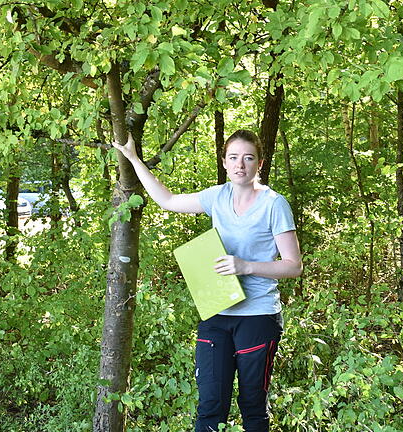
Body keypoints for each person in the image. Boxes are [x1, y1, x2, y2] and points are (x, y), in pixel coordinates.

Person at [113, 129, 302, 432]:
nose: (241, 164)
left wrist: (246, 266)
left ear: (259, 163)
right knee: (211, 406)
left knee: (253, 406)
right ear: (225, 162)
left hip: (258, 317)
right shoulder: (217, 196)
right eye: (234, 158)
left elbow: (293, 266)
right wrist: (133, 158)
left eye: (248, 158)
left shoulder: (274, 204)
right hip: (216, 312)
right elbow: (168, 200)